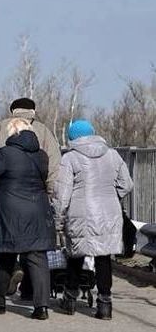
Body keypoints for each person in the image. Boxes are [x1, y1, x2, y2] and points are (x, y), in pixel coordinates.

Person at [0, 97, 62, 300]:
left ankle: (0, 295)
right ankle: (38, 303)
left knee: (6, 250)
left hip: (7, 203)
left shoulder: (0, 129)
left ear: (12, 110)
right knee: (37, 254)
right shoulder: (44, 132)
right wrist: (53, 195)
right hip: (37, 203)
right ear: (34, 111)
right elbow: (55, 168)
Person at [52, 120, 134, 320]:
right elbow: (127, 184)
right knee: (104, 258)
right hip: (109, 212)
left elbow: (62, 194)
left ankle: (70, 298)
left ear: (73, 138)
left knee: (75, 255)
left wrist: (58, 220)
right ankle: (105, 304)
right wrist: (111, 196)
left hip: (80, 212)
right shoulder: (112, 155)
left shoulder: (70, 158)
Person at [0, 118, 56, 320]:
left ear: (12, 134)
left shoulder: (5, 154)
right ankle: (41, 307)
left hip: (10, 211)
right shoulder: (42, 156)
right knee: (38, 258)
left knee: (5, 255)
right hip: (38, 210)